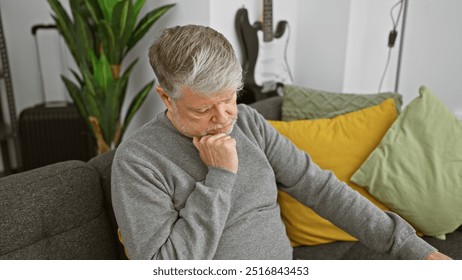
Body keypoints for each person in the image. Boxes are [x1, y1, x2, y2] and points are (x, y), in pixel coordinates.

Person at [111, 24, 451, 260]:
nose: (224, 117)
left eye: (229, 98)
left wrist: (410, 247)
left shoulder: (249, 123)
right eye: (203, 109)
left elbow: (321, 189)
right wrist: (219, 179)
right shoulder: (138, 161)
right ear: (165, 98)